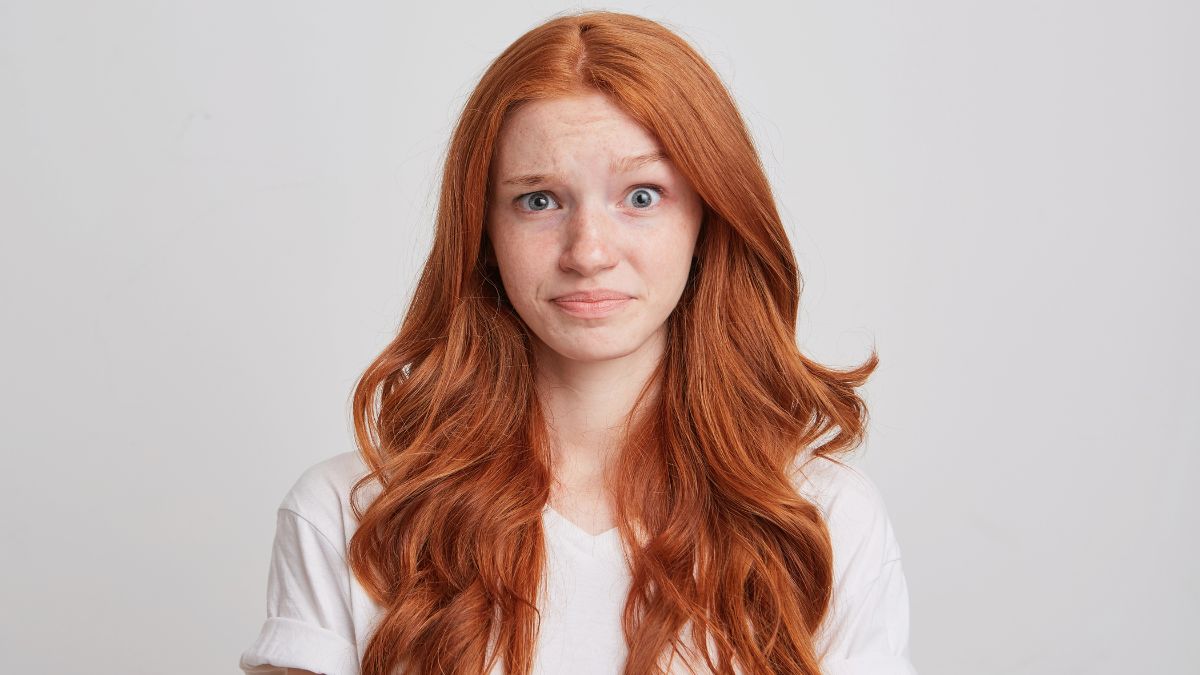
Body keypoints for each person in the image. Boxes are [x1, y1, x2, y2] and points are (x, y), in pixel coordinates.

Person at [240, 10, 915, 675]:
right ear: (483, 233)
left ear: (710, 219)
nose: (588, 252)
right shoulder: (350, 513)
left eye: (643, 196)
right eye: (539, 200)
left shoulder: (821, 521)